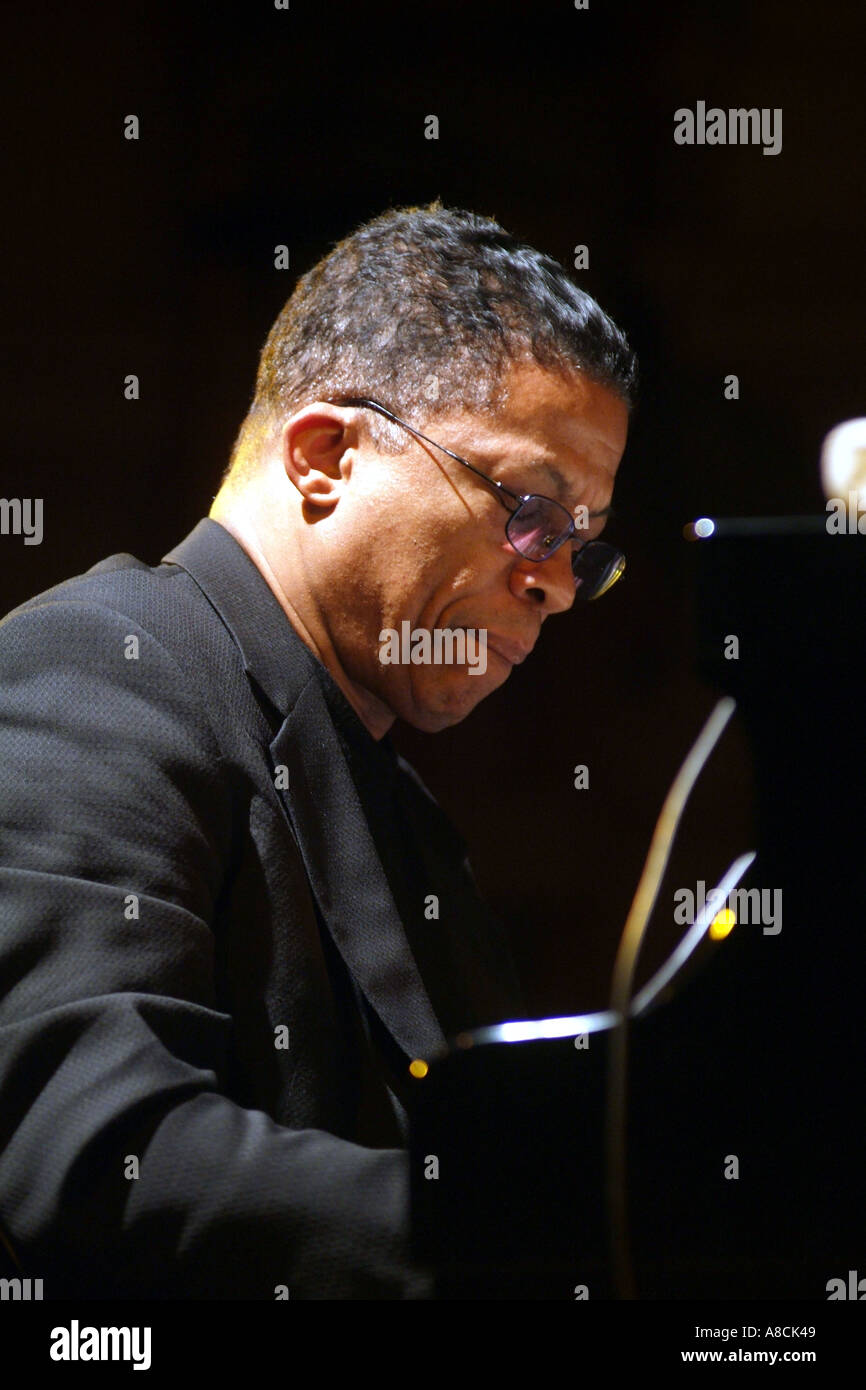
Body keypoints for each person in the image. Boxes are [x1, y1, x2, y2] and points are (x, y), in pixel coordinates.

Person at [0, 201, 636, 1299]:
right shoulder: (95, 667)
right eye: (530, 510)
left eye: (583, 545)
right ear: (325, 456)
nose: (557, 585)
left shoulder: (393, 801)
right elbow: (99, 1154)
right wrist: (540, 1235)